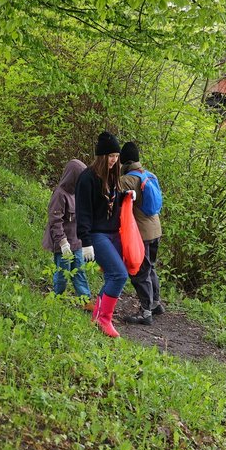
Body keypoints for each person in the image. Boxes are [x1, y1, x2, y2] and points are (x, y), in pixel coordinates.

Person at [75, 131, 135, 338]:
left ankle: (98, 315)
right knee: (119, 275)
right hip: (97, 234)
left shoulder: (112, 176)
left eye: (117, 157)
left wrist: (125, 195)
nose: (114, 160)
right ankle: (103, 319)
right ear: (101, 156)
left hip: (113, 233)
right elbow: (82, 212)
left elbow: (112, 200)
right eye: (111, 156)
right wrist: (86, 242)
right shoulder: (87, 178)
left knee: (119, 272)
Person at [118, 141, 164, 324]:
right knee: (151, 267)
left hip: (142, 234)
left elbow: (107, 190)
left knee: (139, 271)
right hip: (156, 229)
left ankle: (145, 312)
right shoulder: (150, 175)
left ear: (125, 161)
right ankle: (156, 304)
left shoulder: (129, 179)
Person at [43, 159, 93, 307]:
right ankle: (56, 298)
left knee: (79, 271)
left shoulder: (78, 194)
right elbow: (55, 220)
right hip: (63, 243)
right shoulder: (60, 194)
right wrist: (63, 242)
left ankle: (85, 300)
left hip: (76, 241)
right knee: (62, 273)